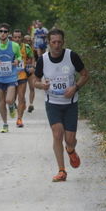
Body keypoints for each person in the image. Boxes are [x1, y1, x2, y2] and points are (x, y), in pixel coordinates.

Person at [34, 28, 89, 182]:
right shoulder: (42, 60)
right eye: (53, 42)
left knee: (70, 139)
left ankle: (70, 150)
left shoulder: (71, 56)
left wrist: (75, 87)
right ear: (48, 43)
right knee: (57, 134)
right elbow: (34, 81)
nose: (57, 45)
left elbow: (85, 74)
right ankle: (62, 171)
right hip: (53, 103)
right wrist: (42, 85)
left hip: (71, 103)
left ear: (63, 42)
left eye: (59, 42)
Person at [0, 23, 21, 133]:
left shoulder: (14, 46)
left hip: (11, 77)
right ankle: (5, 124)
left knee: (8, 100)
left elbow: (19, 56)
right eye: (1, 31)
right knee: (2, 102)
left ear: (8, 34)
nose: (3, 33)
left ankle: (11, 105)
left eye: (5, 31)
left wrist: (17, 60)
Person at [12, 30, 34, 127]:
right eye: (15, 37)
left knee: (21, 97)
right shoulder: (9, 47)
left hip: (22, 76)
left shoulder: (27, 47)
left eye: (19, 37)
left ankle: (19, 119)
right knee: (12, 99)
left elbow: (32, 57)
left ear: (21, 38)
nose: (17, 39)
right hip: (11, 77)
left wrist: (32, 67)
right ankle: (15, 106)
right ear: (12, 38)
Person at [24, 34, 36, 112]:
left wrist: (33, 67)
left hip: (30, 69)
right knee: (22, 88)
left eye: (29, 40)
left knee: (32, 87)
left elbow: (33, 59)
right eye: (26, 40)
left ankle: (31, 104)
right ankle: (23, 102)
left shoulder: (32, 49)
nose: (28, 42)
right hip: (22, 70)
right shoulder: (20, 47)